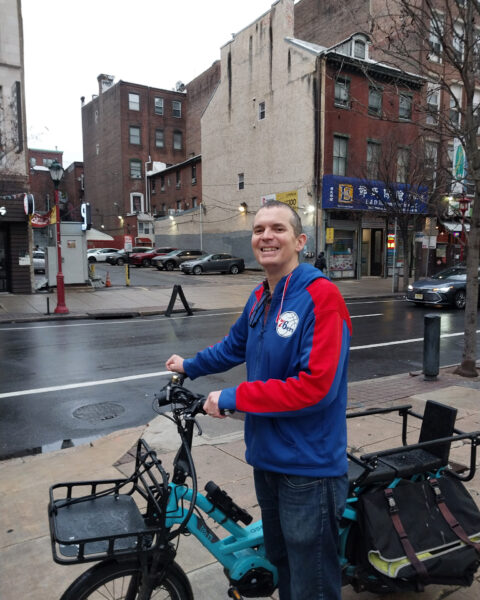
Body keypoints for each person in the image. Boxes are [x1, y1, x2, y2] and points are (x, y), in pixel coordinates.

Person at [166, 200, 352, 600]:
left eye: (278, 229)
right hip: (267, 459)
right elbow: (234, 346)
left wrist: (232, 397)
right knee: (283, 565)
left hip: (309, 468)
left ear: (300, 241)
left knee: (312, 582)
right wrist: (189, 366)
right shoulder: (261, 297)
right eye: (258, 230)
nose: (266, 236)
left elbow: (316, 388)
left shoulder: (321, 297)